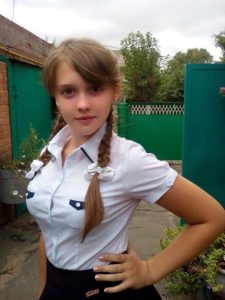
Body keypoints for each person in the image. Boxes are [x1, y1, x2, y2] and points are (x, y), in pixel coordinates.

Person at [25, 38, 225, 300]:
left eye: (95, 89)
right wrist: (44, 289)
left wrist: (150, 270)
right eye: (69, 91)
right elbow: (49, 230)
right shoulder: (48, 153)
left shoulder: (130, 160)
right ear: (55, 96)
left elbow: (212, 217)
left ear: (115, 91)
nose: (82, 103)